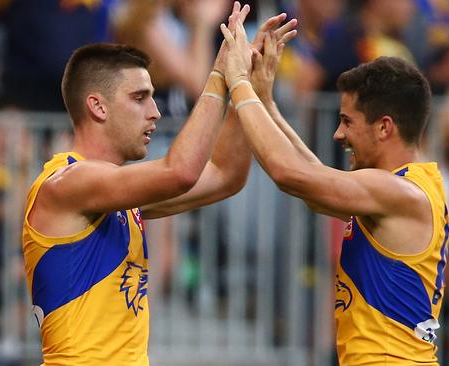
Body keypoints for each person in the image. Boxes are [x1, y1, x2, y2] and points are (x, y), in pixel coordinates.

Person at [21, 3, 297, 364]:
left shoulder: (115, 195)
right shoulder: (69, 182)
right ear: (98, 107)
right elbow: (180, 172)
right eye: (139, 98)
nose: (155, 112)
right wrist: (220, 74)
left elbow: (225, 176)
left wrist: (250, 85)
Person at [219, 20, 449, 365]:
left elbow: (290, 175)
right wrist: (265, 102)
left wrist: (237, 83)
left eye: (348, 121)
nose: (338, 134)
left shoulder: (396, 191)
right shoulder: (411, 185)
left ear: (384, 127)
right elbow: (314, 183)